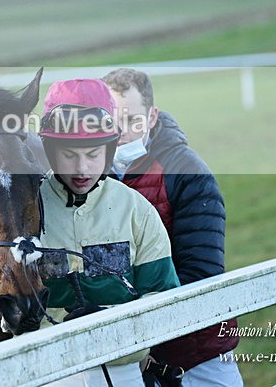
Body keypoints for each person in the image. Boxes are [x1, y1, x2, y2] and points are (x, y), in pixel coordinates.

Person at [0, 78, 180, 386]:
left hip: (124, 374)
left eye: (92, 154)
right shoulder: (24, 210)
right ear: (48, 150)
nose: (81, 169)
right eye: (69, 153)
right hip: (50, 375)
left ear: (109, 148)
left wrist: (106, 325)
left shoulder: (137, 211)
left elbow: (165, 303)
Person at [101, 68, 242, 387]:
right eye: (111, 120)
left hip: (197, 355)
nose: (120, 131)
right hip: (128, 358)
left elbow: (200, 275)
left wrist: (146, 344)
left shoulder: (187, 172)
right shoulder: (92, 175)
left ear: (151, 117)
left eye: (131, 120)